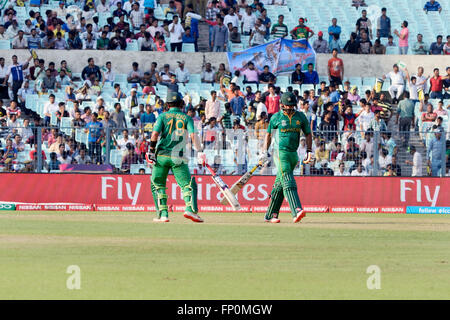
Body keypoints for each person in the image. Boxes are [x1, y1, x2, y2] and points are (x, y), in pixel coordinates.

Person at [146, 92, 205, 223]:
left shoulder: (162, 116)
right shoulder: (187, 118)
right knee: (187, 185)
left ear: (167, 105)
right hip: (178, 156)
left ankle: (163, 215)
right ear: (181, 104)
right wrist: (200, 151)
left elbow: (154, 134)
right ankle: (190, 209)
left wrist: (151, 150)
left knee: (158, 184)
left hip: (161, 155)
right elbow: (194, 136)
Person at [259, 91, 312, 224]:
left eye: (291, 105)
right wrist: (265, 151)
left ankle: (270, 214)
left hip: (293, 154)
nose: (289, 108)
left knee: (279, 185)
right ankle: (296, 210)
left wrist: (309, 151)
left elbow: (308, 134)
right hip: (279, 153)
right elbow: (269, 135)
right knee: (288, 179)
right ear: (282, 105)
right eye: (286, 105)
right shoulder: (276, 117)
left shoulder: (300, 116)